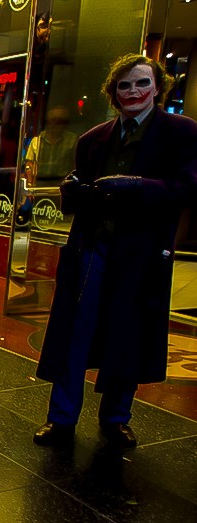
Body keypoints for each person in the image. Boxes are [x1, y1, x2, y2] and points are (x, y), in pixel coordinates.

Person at [33, 55, 197, 450]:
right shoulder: (92, 139)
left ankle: (116, 418)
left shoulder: (181, 132)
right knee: (76, 332)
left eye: (142, 83)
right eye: (124, 86)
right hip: (92, 248)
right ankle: (61, 419)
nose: (133, 92)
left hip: (140, 254)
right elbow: (80, 189)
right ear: (113, 92)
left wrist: (138, 186)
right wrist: (71, 192)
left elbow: (188, 188)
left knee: (127, 334)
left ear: (158, 87)